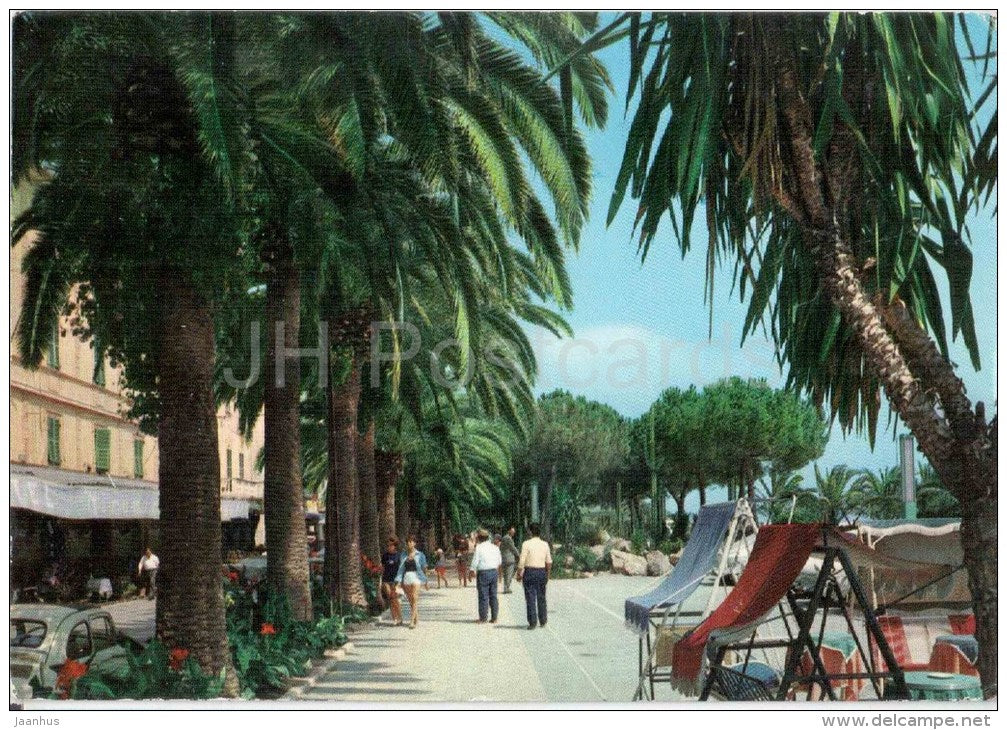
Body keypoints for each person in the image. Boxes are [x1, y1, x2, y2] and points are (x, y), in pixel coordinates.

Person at [517, 523, 552, 629]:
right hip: (542, 571)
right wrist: (547, 575)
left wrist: (519, 573)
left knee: (530, 597)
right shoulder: (545, 544)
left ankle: (532, 622)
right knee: (541, 596)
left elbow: (522, 560)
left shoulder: (526, 544)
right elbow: (549, 562)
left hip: (530, 572)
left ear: (530, 532)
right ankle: (543, 620)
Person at [468, 528, 502, 623]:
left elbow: (475, 561)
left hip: (483, 574)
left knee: (483, 595)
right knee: (493, 595)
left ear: (479, 538)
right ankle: (494, 618)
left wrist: (471, 572)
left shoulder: (479, 547)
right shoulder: (495, 547)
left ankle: (483, 618)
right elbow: (499, 562)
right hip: (494, 572)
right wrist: (499, 575)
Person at [394, 536, 429, 629]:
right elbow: (401, 569)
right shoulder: (403, 555)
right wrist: (398, 581)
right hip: (407, 578)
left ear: (414, 543)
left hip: (416, 577)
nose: (409, 543)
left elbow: (424, 568)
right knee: (411, 601)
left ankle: (411, 622)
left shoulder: (420, 555)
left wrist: (425, 581)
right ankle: (416, 618)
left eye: (411, 541)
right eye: (408, 542)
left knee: (414, 598)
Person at [380, 537, 404, 626]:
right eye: (388, 545)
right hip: (386, 580)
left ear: (395, 546)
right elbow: (382, 568)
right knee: (390, 599)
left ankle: (400, 618)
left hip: (395, 580)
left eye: (391, 545)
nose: (389, 547)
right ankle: (394, 619)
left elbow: (401, 569)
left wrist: (400, 581)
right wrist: (380, 581)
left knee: (395, 600)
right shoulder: (385, 556)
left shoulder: (399, 556)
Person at [500, 526, 520, 594]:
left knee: (506, 574)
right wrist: (518, 555)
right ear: (509, 531)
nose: (513, 533)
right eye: (512, 532)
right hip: (509, 559)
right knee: (509, 573)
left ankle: (506, 587)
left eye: (514, 532)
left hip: (504, 558)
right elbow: (513, 548)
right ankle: (506, 588)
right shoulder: (508, 538)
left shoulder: (504, 538)